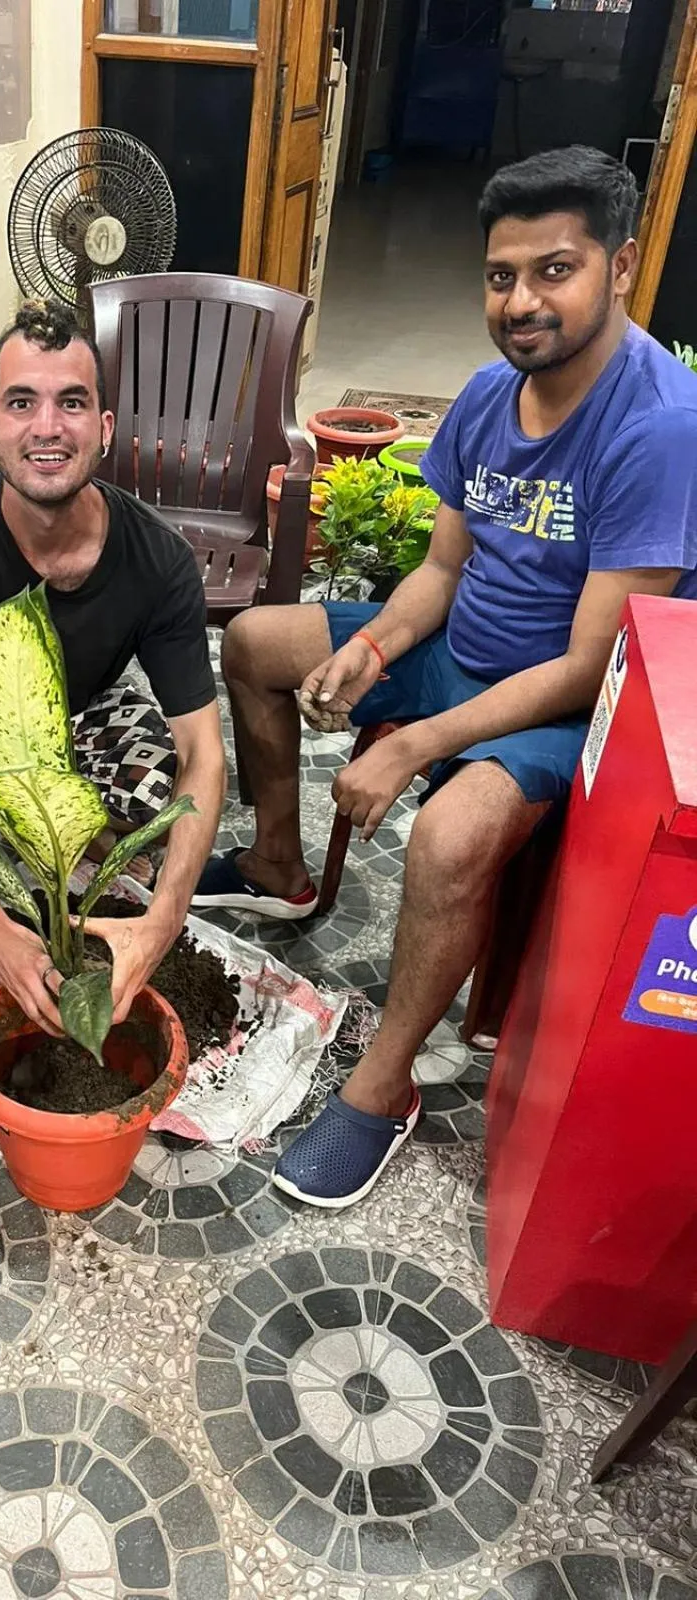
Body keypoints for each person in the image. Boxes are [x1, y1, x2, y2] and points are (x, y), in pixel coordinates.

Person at [194, 145, 697, 1207]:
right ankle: (280, 862)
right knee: (253, 644)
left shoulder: (658, 426)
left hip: (562, 703)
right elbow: (439, 569)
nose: (521, 302)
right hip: (457, 643)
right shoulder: (485, 394)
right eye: (501, 275)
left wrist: (421, 742)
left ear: (621, 264)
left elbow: (589, 663)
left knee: (447, 833)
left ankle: (383, 1089)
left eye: (553, 270)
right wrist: (371, 649)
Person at [0, 299, 226, 1034]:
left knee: (164, 787)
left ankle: (76, 856)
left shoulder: (158, 559)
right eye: (21, 402)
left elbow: (205, 755)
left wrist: (165, 918)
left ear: (103, 427)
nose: (46, 427)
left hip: (84, 711)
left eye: (72, 402)